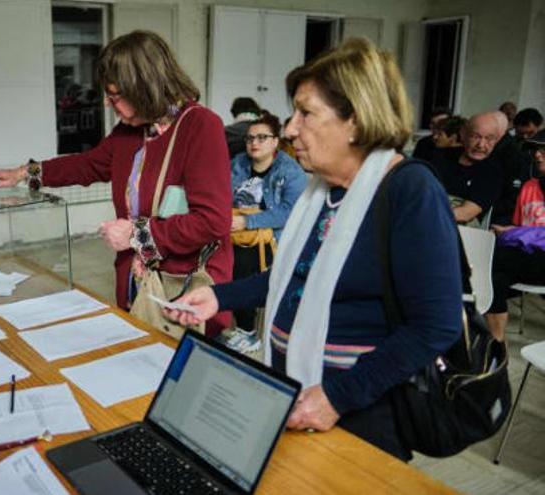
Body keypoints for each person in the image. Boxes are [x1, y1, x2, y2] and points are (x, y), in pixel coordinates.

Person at [165, 38, 462, 461]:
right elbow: (292, 279)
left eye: (306, 113)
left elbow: (434, 325)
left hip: (360, 412)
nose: (289, 129)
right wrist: (219, 296)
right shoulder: (322, 191)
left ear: (356, 121)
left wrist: (337, 397)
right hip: (299, 396)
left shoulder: (410, 190)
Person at [0, 30, 234, 334]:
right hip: (139, 285)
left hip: (186, 296)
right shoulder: (131, 131)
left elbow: (211, 222)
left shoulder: (200, 126)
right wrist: (25, 173)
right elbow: (87, 165)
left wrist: (135, 234)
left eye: (115, 96)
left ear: (145, 89)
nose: (108, 104)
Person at [228, 112, 306, 344]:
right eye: (250, 138)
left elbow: (289, 212)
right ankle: (223, 319)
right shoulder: (238, 163)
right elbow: (222, 195)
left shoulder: (290, 171)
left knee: (241, 262)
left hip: (271, 238)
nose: (254, 143)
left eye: (262, 138)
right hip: (235, 232)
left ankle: (247, 331)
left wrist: (247, 221)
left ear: (275, 141)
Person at [487, 130, 545, 341]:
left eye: (544, 150)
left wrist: (515, 233)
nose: (537, 155)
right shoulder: (529, 187)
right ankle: (497, 344)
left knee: (492, 262)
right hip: (525, 257)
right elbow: (518, 225)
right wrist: (509, 231)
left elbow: (519, 232)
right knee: (490, 274)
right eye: (536, 150)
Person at [430, 113, 504, 224]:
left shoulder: (493, 172)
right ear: (463, 134)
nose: (481, 145)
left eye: (489, 139)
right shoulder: (440, 157)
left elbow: (465, 214)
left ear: (497, 141)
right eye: (476, 136)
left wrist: (427, 215)